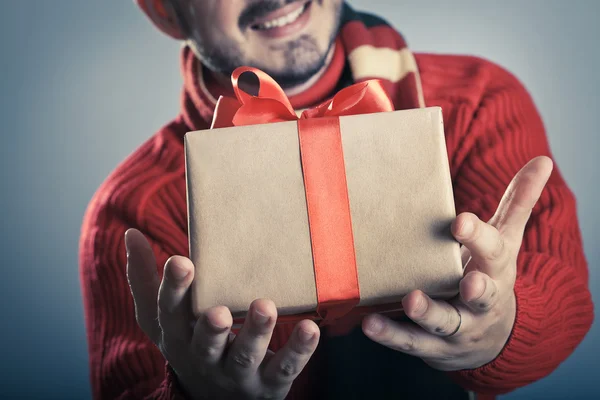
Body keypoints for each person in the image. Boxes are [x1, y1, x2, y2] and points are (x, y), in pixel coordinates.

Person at [79, 1, 594, 399]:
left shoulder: (477, 103)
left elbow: (565, 303)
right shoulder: (135, 209)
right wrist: (193, 393)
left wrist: (502, 327)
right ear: (164, 10)